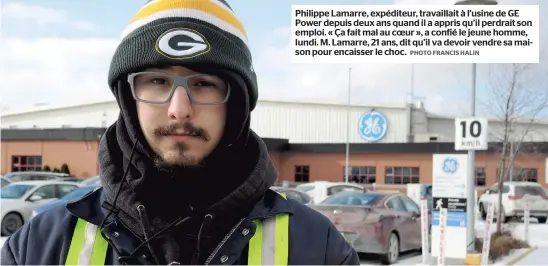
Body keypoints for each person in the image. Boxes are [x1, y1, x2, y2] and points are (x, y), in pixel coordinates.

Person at [1, 0, 360, 265]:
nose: (179, 109)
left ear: (236, 104)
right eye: (157, 81)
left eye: (204, 84)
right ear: (129, 100)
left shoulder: (317, 247)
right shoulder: (40, 246)